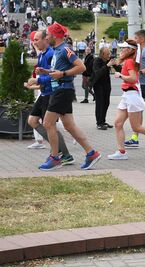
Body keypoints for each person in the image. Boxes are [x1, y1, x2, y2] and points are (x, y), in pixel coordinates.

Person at [36, 22, 102, 170]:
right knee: (69, 126)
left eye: (47, 35)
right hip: (60, 90)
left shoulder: (65, 49)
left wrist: (63, 74)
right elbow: (58, 71)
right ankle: (92, 153)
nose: (46, 38)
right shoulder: (57, 50)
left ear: (54, 36)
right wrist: (46, 72)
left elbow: (81, 67)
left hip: (63, 90)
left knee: (47, 123)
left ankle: (55, 158)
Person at [24, 30, 74, 164]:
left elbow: (52, 75)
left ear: (45, 39)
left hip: (52, 92)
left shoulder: (51, 54)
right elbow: (43, 75)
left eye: (36, 40)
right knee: (32, 121)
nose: (34, 42)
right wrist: (35, 84)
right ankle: (58, 150)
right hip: (44, 92)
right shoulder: (42, 54)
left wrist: (37, 81)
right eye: (33, 40)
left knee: (50, 125)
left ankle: (64, 154)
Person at [90, 46, 114, 130]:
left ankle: (103, 121)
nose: (109, 55)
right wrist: (107, 66)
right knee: (100, 103)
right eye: (107, 54)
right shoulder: (97, 61)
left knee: (106, 103)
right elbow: (97, 73)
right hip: (98, 84)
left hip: (106, 84)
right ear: (102, 54)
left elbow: (118, 69)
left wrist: (116, 64)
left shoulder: (108, 60)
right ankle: (99, 123)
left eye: (109, 53)